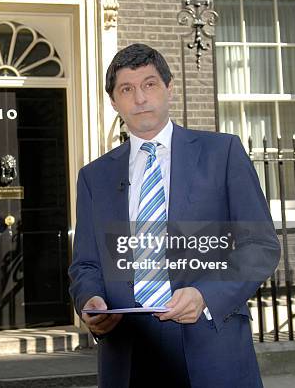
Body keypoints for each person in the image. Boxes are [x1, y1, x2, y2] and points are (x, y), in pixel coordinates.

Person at [68, 43, 280, 388]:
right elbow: (86, 264)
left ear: (170, 88)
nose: (140, 98)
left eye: (149, 84)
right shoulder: (94, 177)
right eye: (127, 89)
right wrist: (89, 300)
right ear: (114, 103)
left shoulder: (222, 153)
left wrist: (206, 296)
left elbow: (260, 246)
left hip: (211, 342)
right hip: (128, 353)